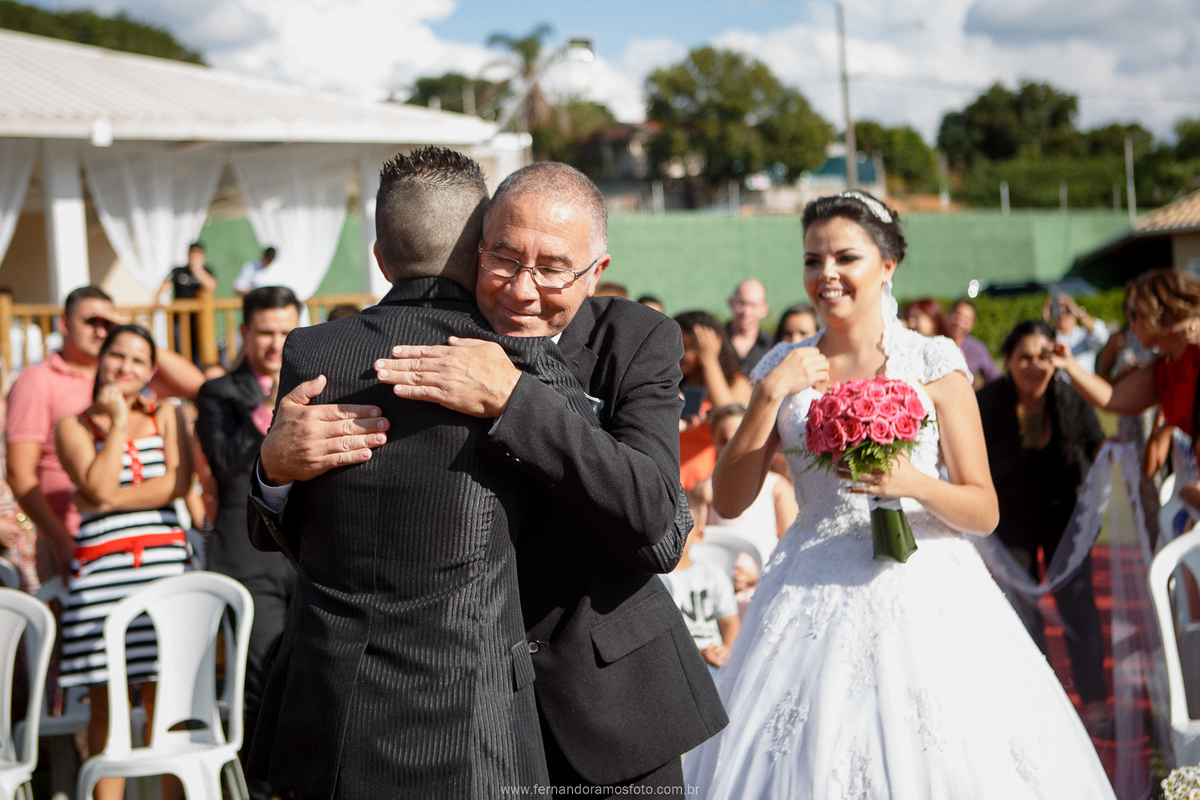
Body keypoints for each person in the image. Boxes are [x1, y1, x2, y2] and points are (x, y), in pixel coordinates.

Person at [254, 161, 725, 794]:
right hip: (458, 715)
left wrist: (516, 400)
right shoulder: (386, 354)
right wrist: (273, 472)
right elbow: (331, 541)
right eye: (502, 258)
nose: (523, 290)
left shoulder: (633, 341)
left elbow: (661, 530)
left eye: (553, 268)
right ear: (472, 246)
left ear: (596, 272)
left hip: (605, 706)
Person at [683, 191, 1115, 798]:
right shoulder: (783, 364)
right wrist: (767, 394)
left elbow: (983, 510)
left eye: (844, 257)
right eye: (812, 260)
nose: (825, 275)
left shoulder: (934, 360)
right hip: (808, 583)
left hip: (926, 584)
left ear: (887, 265)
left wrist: (910, 482)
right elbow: (728, 502)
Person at [54, 324, 191, 800]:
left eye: (138, 361)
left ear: (151, 370)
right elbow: (93, 485)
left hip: (163, 571)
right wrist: (113, 422)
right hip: (101, 579)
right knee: (104, 705)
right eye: (118, 356)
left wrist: (106, 497)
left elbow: (175, 484)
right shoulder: (73, 424)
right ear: (101, 358)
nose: (125, 368)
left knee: (164, 697)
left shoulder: (168, 414)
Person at [6, 286, 202, 583]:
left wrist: (128, 332)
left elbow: (196, 385)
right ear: (64, 324)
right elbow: (20, 474)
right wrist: (58, 539)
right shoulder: (37, 381)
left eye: (107, 324)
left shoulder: (127, 378)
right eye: (91, 321)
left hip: (147, 541)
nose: (100, 331)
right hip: (68, 535)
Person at [976, 320, 1109, 731]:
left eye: (1042, 357)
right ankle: (1036, 700)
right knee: (1020, 608)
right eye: (1024, 357)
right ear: (1008, 361)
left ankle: (1095, 699)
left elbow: (1097, 442)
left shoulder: (1067, 397)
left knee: (1077, 606)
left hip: (1062, 514)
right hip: (1008, 518)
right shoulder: (988, 401)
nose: (1034, 366)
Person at [194, 285, 300, 800]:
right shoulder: (220, 393)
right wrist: (270, 405)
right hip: (247, 553)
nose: (276, 342)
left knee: (310, 680)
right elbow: (222, 463)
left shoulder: (318, 381)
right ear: (244, 332)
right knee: (258, 683)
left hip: (307, 556)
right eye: (265, 332)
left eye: (286, 331)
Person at [1055, 268, 1200, 511]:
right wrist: (1068, 364)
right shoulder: (1164, 369)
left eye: (1134, 314)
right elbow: (1112, 398)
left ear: (1158, 313)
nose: (1130, 324)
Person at [696, 403, 796, 566]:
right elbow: (698, 541)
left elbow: (791, 543)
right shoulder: (706, 489)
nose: (730, 447)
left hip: (764, 574)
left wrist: (756, 573)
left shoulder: (777, 487)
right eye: (723, 441)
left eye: (737, 439)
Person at [662, 490, 740, 677]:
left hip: (715, 659)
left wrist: (726, 650)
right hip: (676, 663)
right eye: (667, 527)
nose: (674, 534)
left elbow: (729, 621)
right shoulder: (655, 579)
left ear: (699, 534)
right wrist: (698, 655)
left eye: (683, 528)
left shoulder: (712, 574)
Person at [677, 311, 753, 492]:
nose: (680, 354)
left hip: (712, 488)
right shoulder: (674, 386)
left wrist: (709, 360)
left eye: (688, 347)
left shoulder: (736, 383)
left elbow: (729, 415)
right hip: (675, 484)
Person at [1044, 292, 1108, 374]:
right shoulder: (1050, 337)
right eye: (1057, 309)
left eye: (1067, 310)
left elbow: (1102, 336)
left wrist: (1078, 312)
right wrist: (1044, 323)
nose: (1062, 314)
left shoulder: (1083, 335)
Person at [946, 299, 999, 388]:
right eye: (957, 316)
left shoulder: (977, 349)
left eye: (966, 320)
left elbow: (994, 378)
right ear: (948, 314)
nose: (960, 323)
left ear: (972, 324)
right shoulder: (933, 341)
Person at [727, 279, 772, 375]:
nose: (746, 311)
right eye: (741, 303)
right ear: (731, 303)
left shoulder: (772, 347)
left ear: (765, 310)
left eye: (753, 305)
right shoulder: (715, 341)